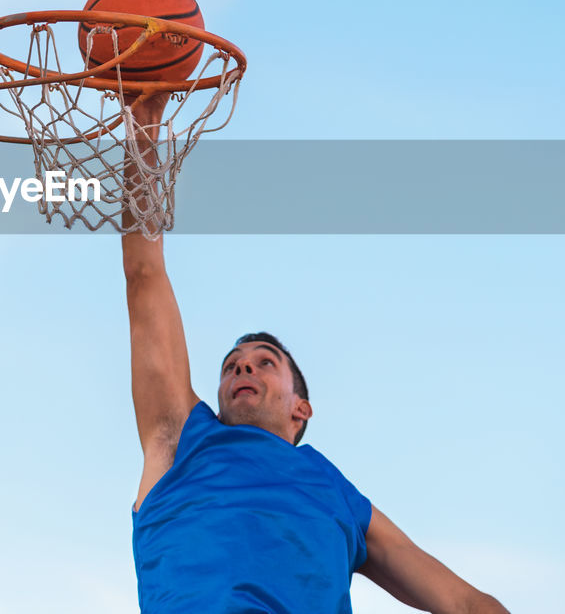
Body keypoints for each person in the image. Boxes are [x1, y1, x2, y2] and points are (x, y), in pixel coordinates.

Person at [123, 94, 510, 614]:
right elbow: (145, 274)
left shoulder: (338, 495)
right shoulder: (181, 437)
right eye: (232, 364)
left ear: (300, 408)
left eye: (265, 361)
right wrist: (143, 123)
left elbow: (463, 602)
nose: (242, 365)